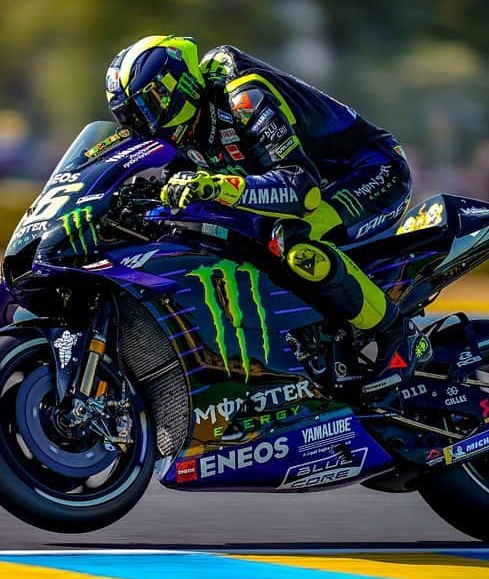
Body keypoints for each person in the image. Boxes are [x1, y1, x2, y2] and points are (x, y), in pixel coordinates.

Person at [105, 35, 429, 393]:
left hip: (371, 173)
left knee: (293, 243)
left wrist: (216, 186)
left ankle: (392, 332)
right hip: (314, 190)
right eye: (132, 119)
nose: (145, 125)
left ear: (177, 84)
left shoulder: (243, 95)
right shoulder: (187, 128)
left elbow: (301, 189)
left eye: (148, 108)